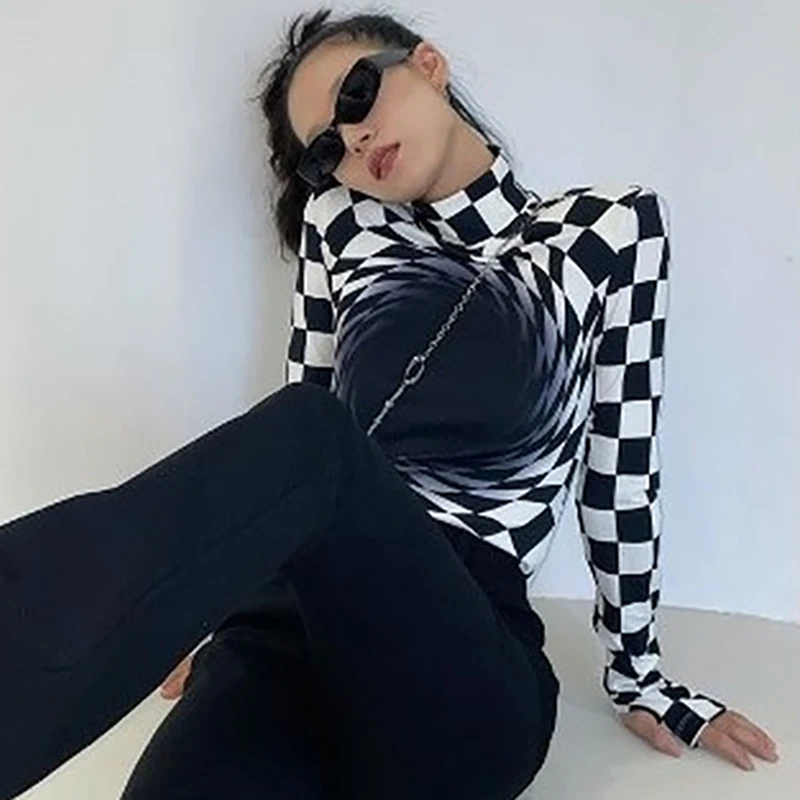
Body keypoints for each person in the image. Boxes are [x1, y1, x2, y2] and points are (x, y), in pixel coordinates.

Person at [0, 6, 780, 800]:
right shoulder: (340, 224)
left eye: (357, 94)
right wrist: (209, 590)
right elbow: (287, 451)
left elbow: (621, 474)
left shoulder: (606, 231)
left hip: (462, 647)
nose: (354, 138)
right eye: (325, 149)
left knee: (313, 432)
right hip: (288, 628)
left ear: (429, 65)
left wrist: (639, 675)